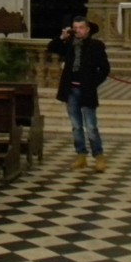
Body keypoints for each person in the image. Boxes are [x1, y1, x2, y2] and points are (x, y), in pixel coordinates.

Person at [47, 17, 111, 171]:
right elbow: (51, 47)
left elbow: (105, 69)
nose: (78, 30)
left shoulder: (96, 45)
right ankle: (81, 156)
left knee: (91, 126)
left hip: (86, 90)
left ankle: (99, 156)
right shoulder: (69, 44)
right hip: (70, 90)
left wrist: (92, 83)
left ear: (87, 29)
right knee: (76, 126)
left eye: (81, 27)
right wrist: (62, 37)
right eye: (75, 27)